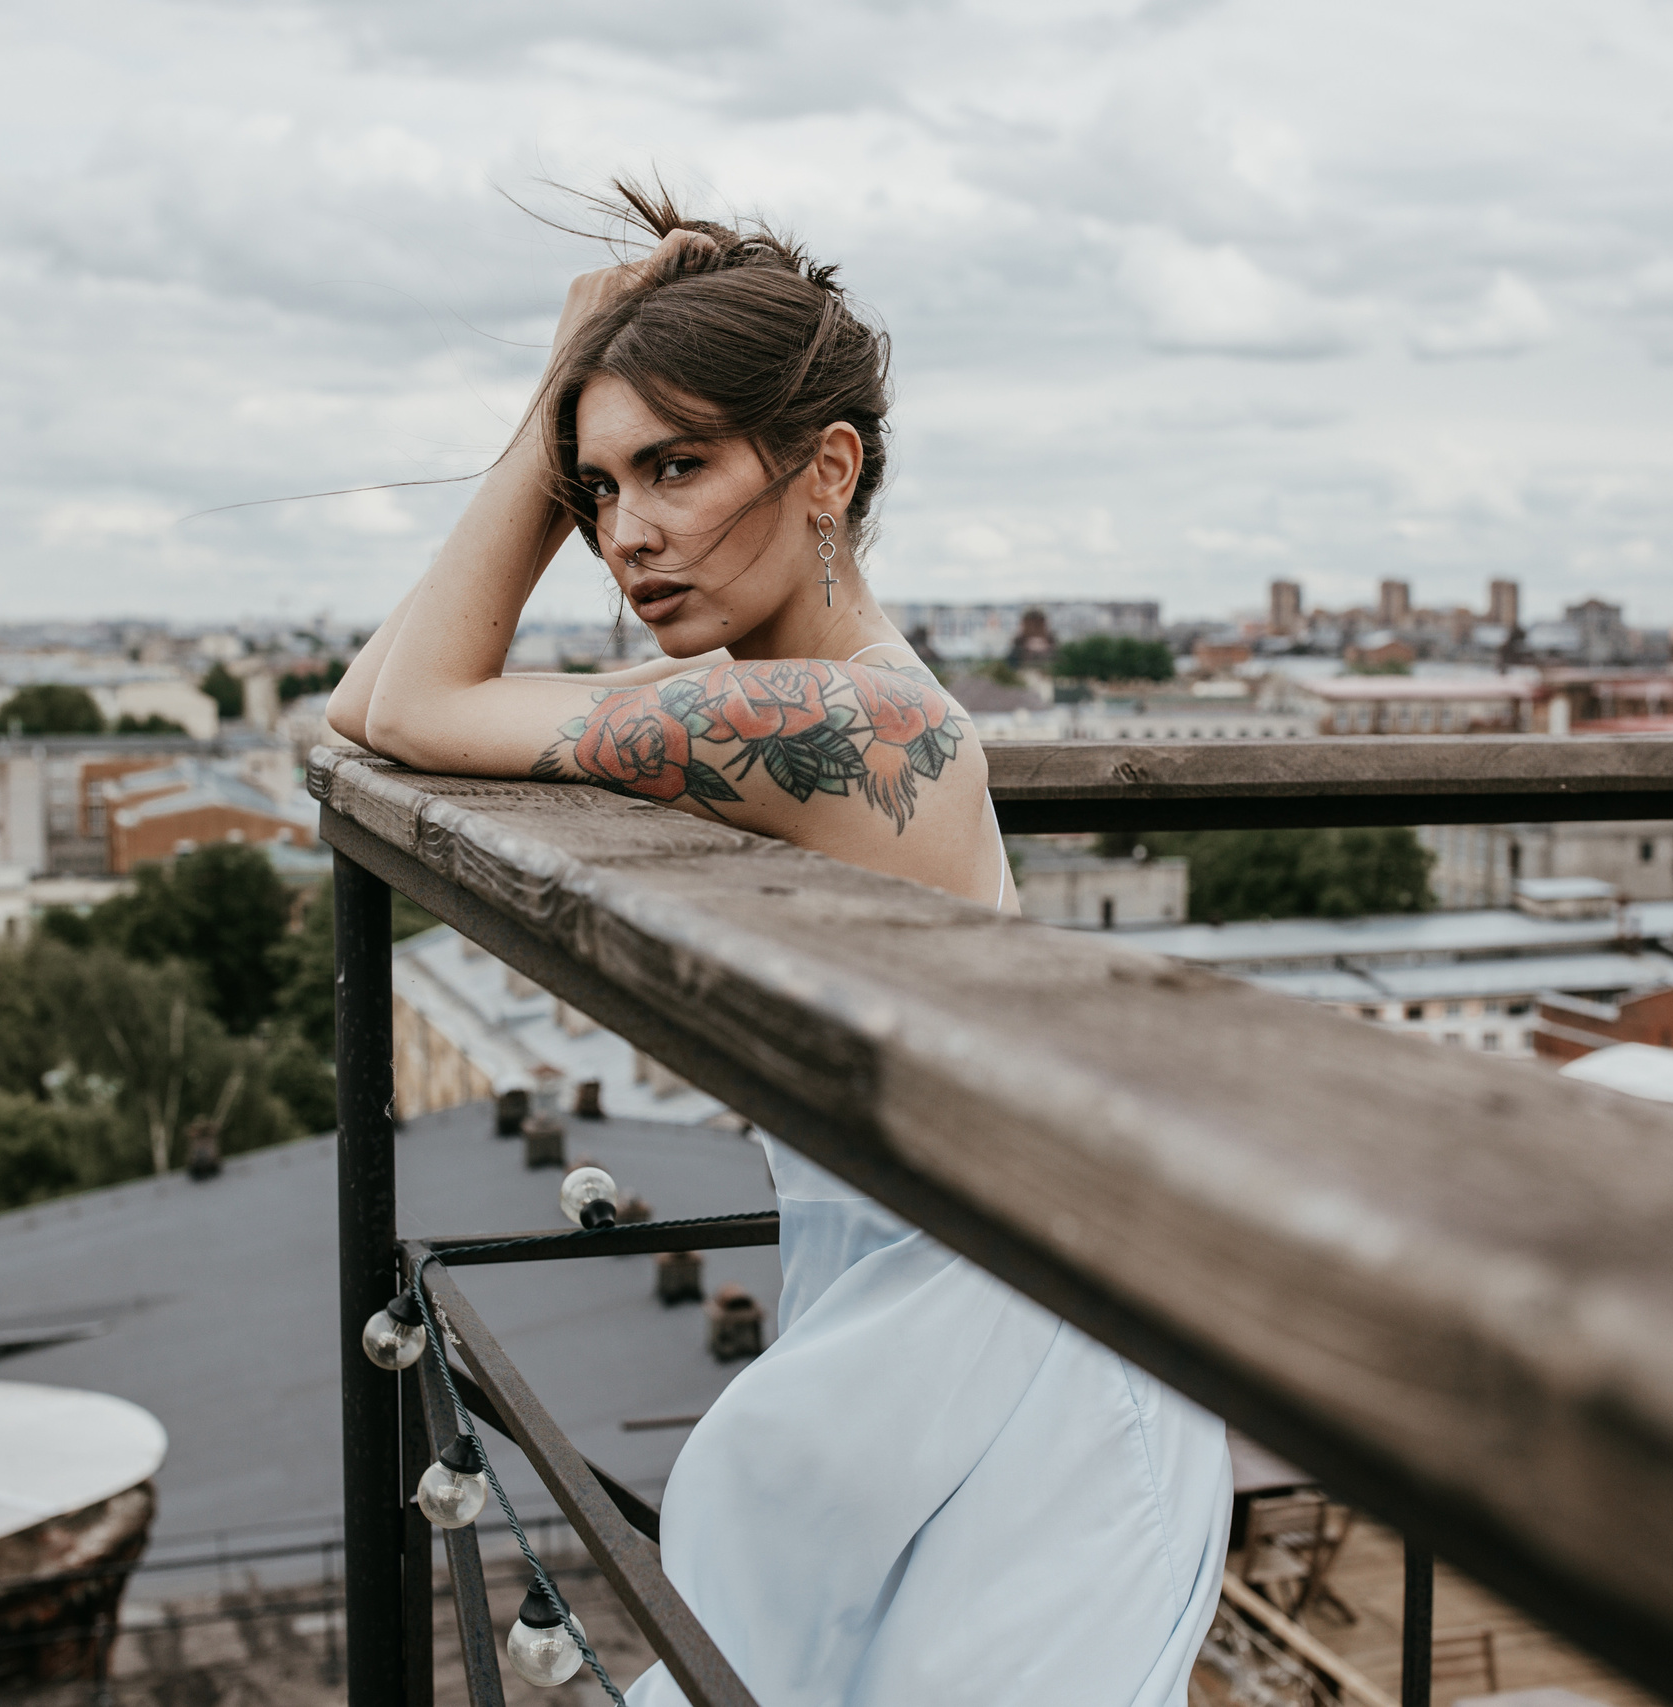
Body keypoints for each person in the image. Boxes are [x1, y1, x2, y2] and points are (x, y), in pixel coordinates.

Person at [328, 185, 1230, 1706]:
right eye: (597, 485)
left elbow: (403, 707)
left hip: (1023, 1397)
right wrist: (562, 420)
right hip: (932, 1348)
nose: (627, 531)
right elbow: (374, 707)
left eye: (674, 468)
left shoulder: (839, 720)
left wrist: (548, 404)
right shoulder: (792, 697)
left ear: (826, 470)